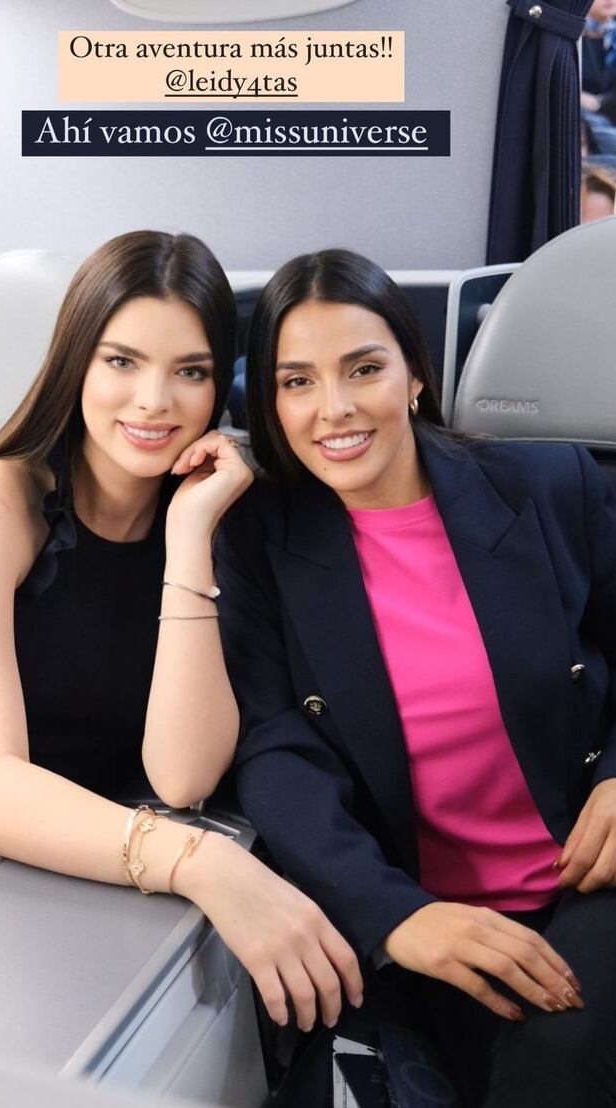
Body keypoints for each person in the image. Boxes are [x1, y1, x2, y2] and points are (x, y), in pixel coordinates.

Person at [0, 231, 364, 1037]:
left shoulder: (215, 514)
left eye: (188, 371)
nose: (154, 400)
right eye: (121, 361)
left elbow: (181, 773)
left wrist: (191, 537)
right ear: (75, 363)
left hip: (31, 866)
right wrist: (204, 864)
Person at [214, 249, 616, 1107]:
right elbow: (276, 748)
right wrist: (393, 916)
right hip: (414, 917)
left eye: (364, 368)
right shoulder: (259, 541)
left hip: (584, 884)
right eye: (296, 382)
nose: (335, 409)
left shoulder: (548, 486)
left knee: (554, 1062)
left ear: (414, 377)